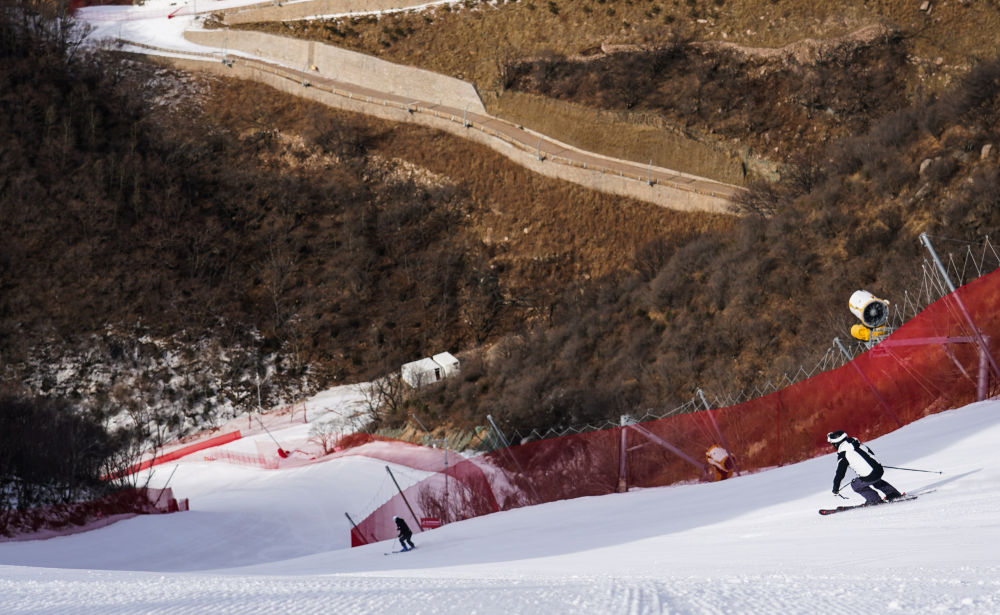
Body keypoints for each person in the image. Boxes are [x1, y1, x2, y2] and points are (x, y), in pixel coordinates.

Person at [827, 430, 903, 505]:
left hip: (869, 475)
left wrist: (835, 488)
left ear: (836, 444)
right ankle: (893, 494)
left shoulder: (843, 454)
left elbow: (840, 474)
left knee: (856, 485)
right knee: (876, 481)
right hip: (879, 469)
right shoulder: (858, 443)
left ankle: (874, 500)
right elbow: (870, 453)